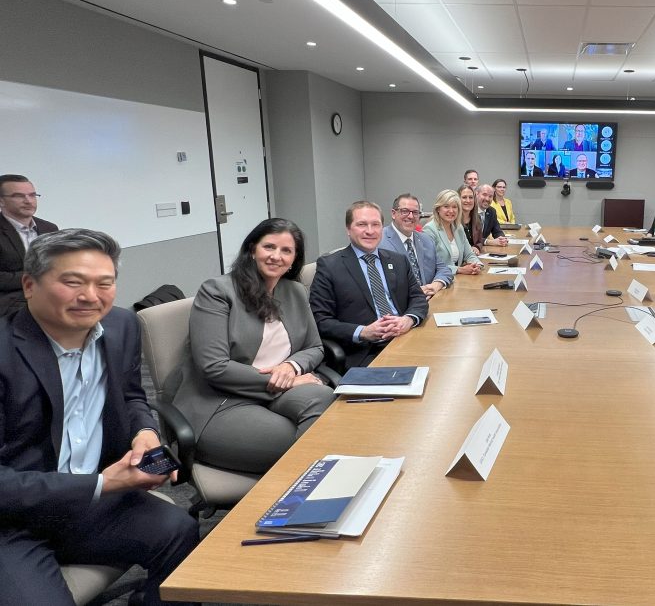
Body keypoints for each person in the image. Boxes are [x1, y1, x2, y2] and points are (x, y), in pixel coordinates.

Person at [0, 228, 199, 605]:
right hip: (12, 521)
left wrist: (144, 432)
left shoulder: (121, 326)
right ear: (29, 285)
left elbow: (131, 394)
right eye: (72, 282)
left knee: (180, 532)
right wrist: (102, 485)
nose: (90, 297)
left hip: (89, 504)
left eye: (104, 283)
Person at [172, 218, 335, 474]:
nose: (276, 256)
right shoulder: (217, 291)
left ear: (294, 259)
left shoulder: (294, 291)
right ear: (252, 250)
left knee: (326, 402)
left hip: (274, 394)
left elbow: (314, 347)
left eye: (286, 251)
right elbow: (214, 367)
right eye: (268, 247)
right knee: (311, 441)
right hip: (222, 401)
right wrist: (286, 381)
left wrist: (291, 366)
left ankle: (307, 495)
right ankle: (294, 505)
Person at [310, 202, 428, 369]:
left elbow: (417, 297)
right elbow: (321, 320)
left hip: (405, 339)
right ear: (348, 229)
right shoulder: (329, 266)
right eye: (361, 224)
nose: (370, 231)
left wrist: (408, 320)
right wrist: (363, 332)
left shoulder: (398, 260)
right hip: (365, 352)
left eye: (376, 225)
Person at [0, 174, 59, 316]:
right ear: (1, 201)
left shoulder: (49, 228)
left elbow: (58, 265)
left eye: (32, 195)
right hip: (10, 301)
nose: (28, 201)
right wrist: (36, 278)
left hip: (50, 296)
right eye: (19, 196)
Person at [380, 193, 453, 298]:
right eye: (404, 211)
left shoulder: (425, 239)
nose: (410, 216)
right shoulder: (380, 241)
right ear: (393, 213)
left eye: (415, 212)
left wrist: (436, 285)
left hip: (431, 300)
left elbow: (443, 268)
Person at [423, 189, 484, 277]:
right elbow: (431, 265)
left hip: (458, 279)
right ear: (438, 209)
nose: (451, 211)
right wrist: (460, 269)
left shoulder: (458, 228)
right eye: (446, 206)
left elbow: (469, 254)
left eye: (454, 207)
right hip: (439, 281)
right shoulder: (429, 230)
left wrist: (477, 265)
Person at [475, 184, 508, 248]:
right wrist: (489, 242)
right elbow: (470, 238)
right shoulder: (469, 211)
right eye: (484, 195)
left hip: (482, 249)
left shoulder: (491, 211)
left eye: (490, 196)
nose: (487, 199)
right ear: (477, 194)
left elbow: (497, 231)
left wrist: (502, 239)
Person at [456, 184, 484, 252]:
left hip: (473, 257)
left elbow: (479, 241)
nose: (468, 201)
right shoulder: (453, 220)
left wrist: (477, 247)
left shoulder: (477, 218)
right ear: (458, 199)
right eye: (464, 197)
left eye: (471, 197)